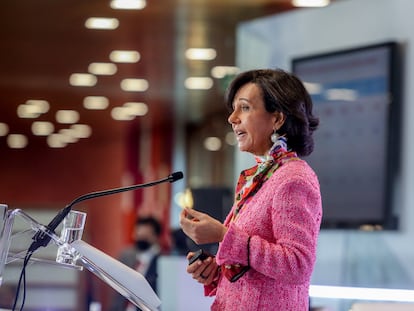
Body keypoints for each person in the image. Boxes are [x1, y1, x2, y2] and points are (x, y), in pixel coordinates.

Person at [180, 68, 322, 311]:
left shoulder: (293, 178)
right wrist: (216, 272)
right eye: (234, 109)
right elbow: (255, 269)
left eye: (244, 108)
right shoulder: (262, 176)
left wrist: (223, 236)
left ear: (277, 119)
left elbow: (297, 265)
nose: (232, 118)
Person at [109, 216, 162, 311]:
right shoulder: (127, 255)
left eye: (145, 236)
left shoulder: (162, 261)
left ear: (155, 236)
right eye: (138, 235)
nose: (140, 238)